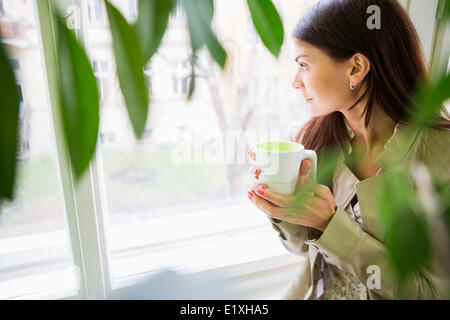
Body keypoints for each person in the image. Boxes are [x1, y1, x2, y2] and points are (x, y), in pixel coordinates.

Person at [247, 0, 449, 300]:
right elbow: (301, 248)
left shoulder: (441, 155)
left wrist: (331, 225)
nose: (295, 82)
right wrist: (284, 208)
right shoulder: (312, 140)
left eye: (304, 64)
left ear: (355, 68)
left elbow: (432, 293)